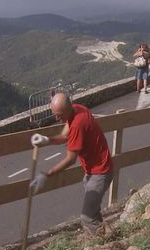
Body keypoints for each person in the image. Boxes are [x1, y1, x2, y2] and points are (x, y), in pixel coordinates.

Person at [30, 93, 113, 232]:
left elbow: (70, 159)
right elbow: (64, 136)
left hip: (100, 172)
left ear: (68, 109)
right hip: (92, 171)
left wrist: (47, 174)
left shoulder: (78, 125)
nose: (57, 118)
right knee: (93, 212)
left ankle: (108, 240)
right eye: (54, 114)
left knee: (87, 217)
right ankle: (102, 239)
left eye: (59, 115)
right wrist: (47, 140)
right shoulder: (76, 108)